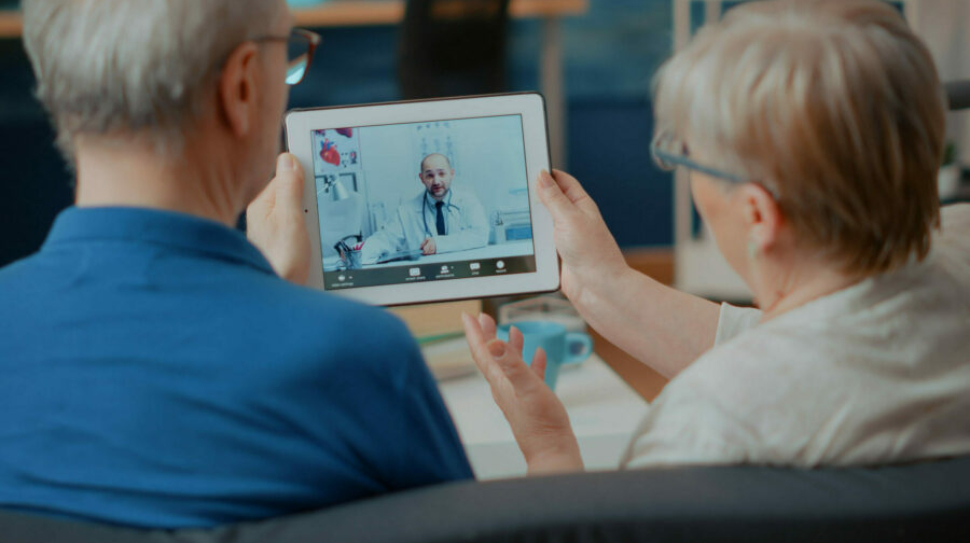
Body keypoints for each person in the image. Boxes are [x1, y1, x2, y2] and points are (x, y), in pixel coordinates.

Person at [0, 0, 471, 529]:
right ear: (243, 85)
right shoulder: (361, 357)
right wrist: (551, 455)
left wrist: (266, 286)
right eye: (289, 52)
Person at [462, 0, 970, 475]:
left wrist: (549, 445)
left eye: (686, 156)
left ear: (757, 213)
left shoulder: (707, 423)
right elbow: (814, 342)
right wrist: (602, 282)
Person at [360, 153, 488, 264]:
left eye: (442, 174)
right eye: (430, 176)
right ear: (422, 178)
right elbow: (385, 239)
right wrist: (356, 252)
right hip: (425, 276)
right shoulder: (406, 211)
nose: (436, 181)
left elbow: (480, 235)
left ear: (452, 174)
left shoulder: (468, 201)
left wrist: (439, 244)